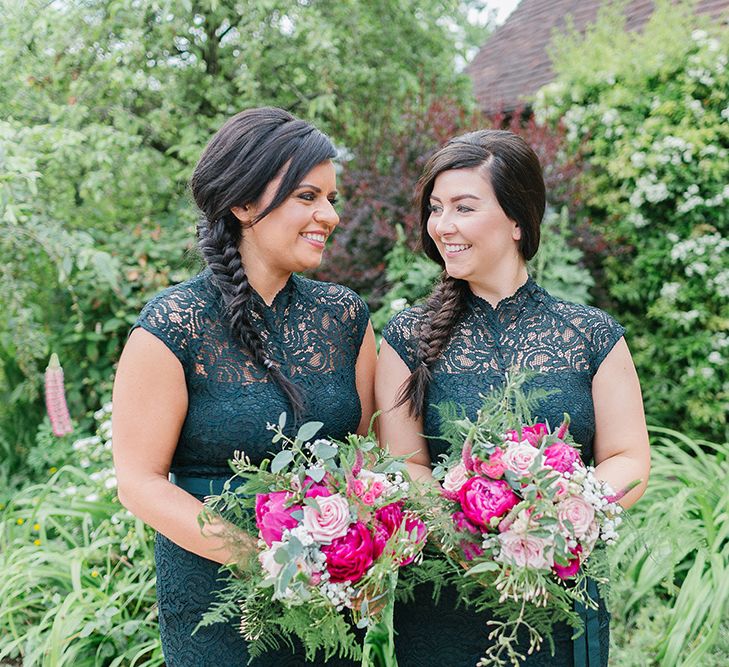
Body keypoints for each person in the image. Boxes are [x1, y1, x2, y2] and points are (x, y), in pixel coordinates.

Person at [112, 107, 376, 667]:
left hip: (330, 607)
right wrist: (263, 559)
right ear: (243, 203)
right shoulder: (172, 325)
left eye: (331, 198)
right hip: (218, 609)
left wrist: (356, 553)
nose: (328, 215)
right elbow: (138, 481)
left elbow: (363, 458)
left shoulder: (346, 318)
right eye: (308, 196)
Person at [375, 129, 650, 666]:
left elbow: (630, 458)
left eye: (464, 207)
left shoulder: (591, 335)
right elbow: (406, 464)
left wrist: (557, 517)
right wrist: (469, 536)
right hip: (444, 597)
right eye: (435, 208)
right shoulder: (405, 338)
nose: (442, 226)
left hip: (559, 595)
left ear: (518, 220)